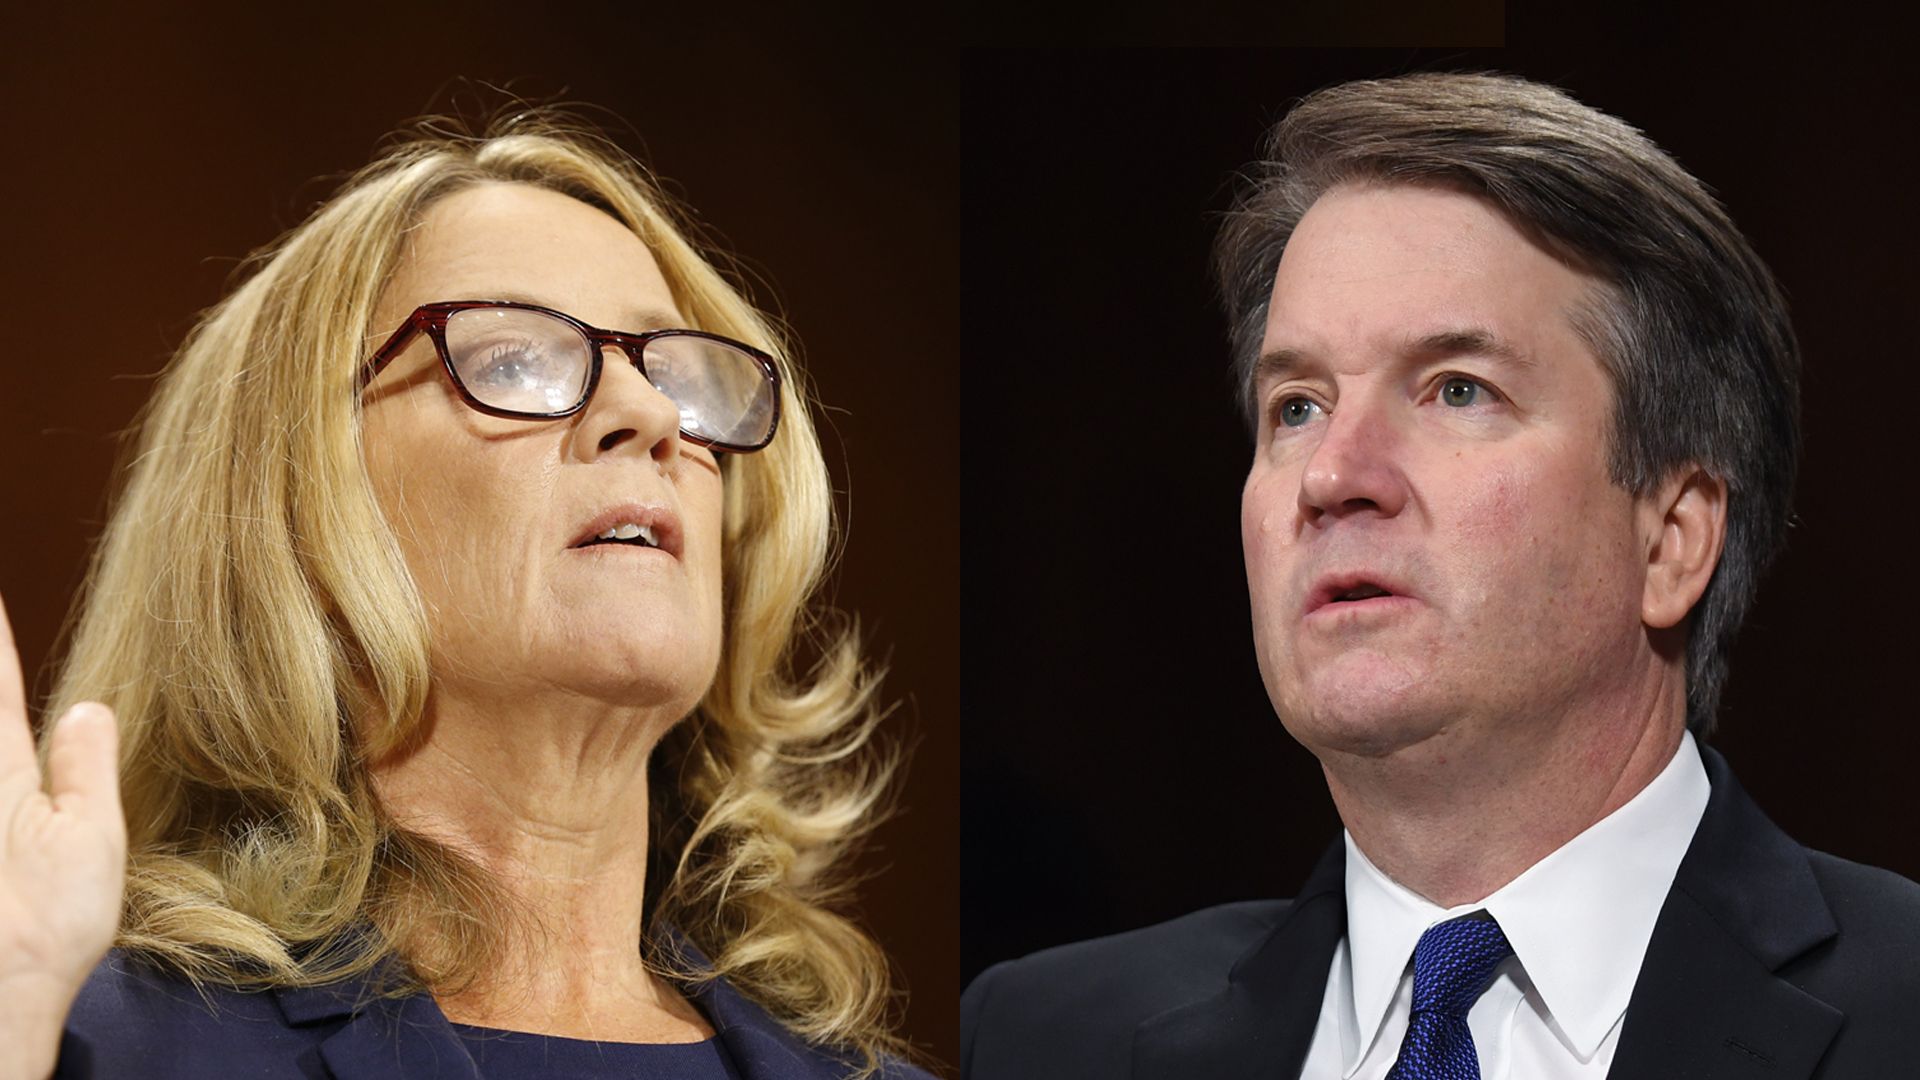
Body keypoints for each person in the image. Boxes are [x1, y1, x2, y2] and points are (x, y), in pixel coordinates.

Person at [961, 72, 1920, 1080]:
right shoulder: (1037, 1039)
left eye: (1458, 390)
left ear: (1671, 538)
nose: (1334, 476)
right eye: (1297, 406)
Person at [1, 111, 932, 1080]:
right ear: (292, 504)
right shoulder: (92, 1045)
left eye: (680, 375)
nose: (652, 416)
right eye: (514, 361)